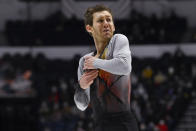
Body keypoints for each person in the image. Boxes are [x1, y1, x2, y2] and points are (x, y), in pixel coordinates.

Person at [74, 5, 139, 131]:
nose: (106, 24)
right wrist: (81, 87)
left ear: (114, 26)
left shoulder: (118, 40)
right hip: (100, 124)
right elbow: (81, 105)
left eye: (108, 20)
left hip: (124, 123)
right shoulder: (84, 61)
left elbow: (125, 66)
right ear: (89, 28)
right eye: (100, 21)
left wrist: (96, 63)